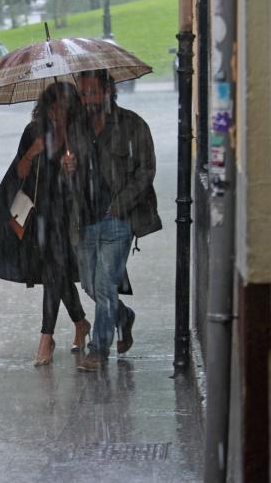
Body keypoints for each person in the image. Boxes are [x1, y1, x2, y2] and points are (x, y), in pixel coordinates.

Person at [0, 82, 91, 366]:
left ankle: (46, 338)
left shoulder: (79, 135)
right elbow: (20, 172)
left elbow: (89, 178)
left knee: (55, 272)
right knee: (56, 273)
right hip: (41, 215)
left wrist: (73, 169)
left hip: (69, 215)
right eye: (53, 107)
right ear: (45, 107)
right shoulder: (33, 132)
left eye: (63, 107)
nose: (57, 113)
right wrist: (32, 152)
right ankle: (80, 322)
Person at [62, 69, 162, 371]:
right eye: (83, 93)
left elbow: (146, 170)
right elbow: (66, 182)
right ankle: (123, 316)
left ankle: (99, 350)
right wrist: (66, 169)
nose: (88, 99)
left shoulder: (132, 125)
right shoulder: (74, 129)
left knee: (105, 285)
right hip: (83, 220)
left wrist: (120, 206)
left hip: (118, 220)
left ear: (109, 91)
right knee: (91, 286)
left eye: (93, 92)